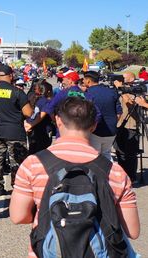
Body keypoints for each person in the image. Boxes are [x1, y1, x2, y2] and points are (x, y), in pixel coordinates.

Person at [10, 97, 140, 257]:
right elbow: (132, 231)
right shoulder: (115, 172)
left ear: (57, 121)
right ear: (94, 126)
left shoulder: (33, 164)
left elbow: (18, 216)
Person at [0, 64, 33, 196]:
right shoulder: (17, 92)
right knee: (17, 162)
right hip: (15, 132)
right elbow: (28, 113)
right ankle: (17, 187)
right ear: (11, 76)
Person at [82, 71, 120, 160]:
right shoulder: (111, 92)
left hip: (94, 131)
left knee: (94, 156)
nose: (82, 81)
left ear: (88, 81)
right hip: (111, 130)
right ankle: (109, 172)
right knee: (106, 154)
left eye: (84, 79)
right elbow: (119, 112)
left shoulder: (87, 94)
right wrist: (113, 122)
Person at [114, 72, 143, 183]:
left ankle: (131, 177)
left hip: (131, 125)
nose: (120, 79)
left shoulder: (135, 90)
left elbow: (128, 102)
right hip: (119, 125)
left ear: (130, 79)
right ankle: (122, 175)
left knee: (130, 154)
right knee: (119, 152)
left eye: (123, 77)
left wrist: (121, 89)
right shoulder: (119, 90)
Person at [27, 81, 54, 154]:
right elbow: (41, 116)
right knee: (42, 152)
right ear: (48, 91)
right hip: (42, 129)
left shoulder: (33, 98)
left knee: (32, 149)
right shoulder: (46, 102)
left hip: (32, 128)